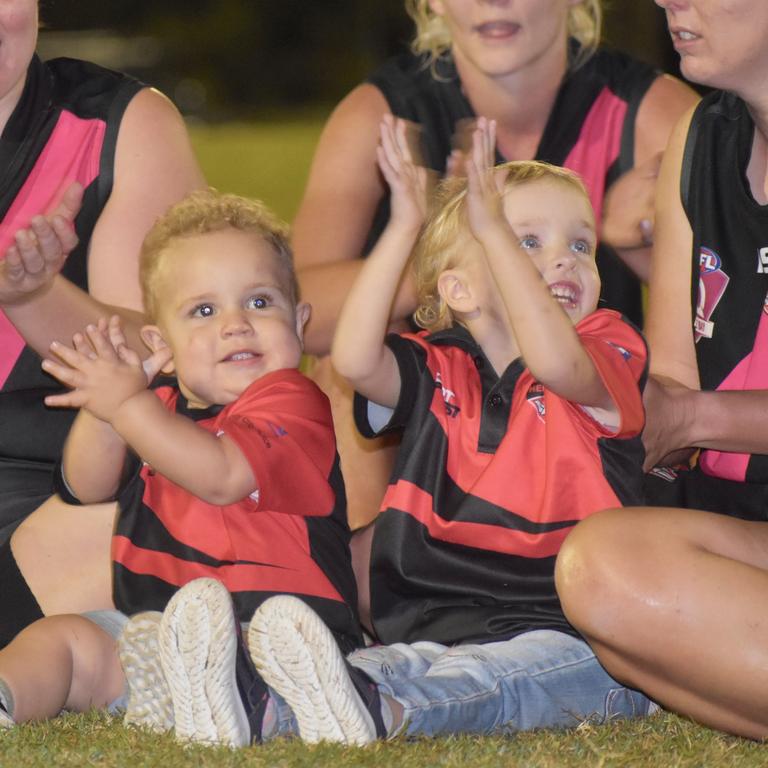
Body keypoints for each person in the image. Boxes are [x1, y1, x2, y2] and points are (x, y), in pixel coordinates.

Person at [233, 115, 653, 744]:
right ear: (458, 289)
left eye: (581, 245)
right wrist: (403, 227)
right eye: (528, 241)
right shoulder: (442, 366)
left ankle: (384, 715)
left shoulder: (605, 346)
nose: (564, 258)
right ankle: (262, 707)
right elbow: (352, 359)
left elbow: (556, 364)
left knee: (491, 679)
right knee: (382, 666)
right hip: (438, 628)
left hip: (575, 636)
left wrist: (493, 232)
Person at [292, 0, 698, 538]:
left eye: (579, 242)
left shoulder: (652, 110)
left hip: (591, 402)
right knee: (338, 381)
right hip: (449, 403)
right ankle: (363, 584)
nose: (492, 2)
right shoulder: (384, 115)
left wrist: (641, 242)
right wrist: (447, 245)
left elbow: (729, 298)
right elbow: (297, 314)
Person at [0, 191, 362, 748]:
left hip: (269, 640)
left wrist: (128, 406)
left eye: (261, 303)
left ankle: (230, 702)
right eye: (204, 311)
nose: (237, 325)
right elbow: (87, 487)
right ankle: (7, 696)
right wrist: (107, 408)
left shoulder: (293, 400)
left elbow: (221, 476)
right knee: (63, 638)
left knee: (261, 656)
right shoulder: (156, 407)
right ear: (160, 344)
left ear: (301, 320)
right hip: (149, 638)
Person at [555, 0, 768, 741]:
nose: (670, 0)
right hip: (742, 532)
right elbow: (673, 377)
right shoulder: (701, 137)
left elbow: (690, 409)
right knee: (598, 568)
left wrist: (697, 418)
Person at [0, 1, 205, 646]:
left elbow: (188, 355)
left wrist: (33, 297)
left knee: (184, 537)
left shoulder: (113, 124)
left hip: (54, 497)